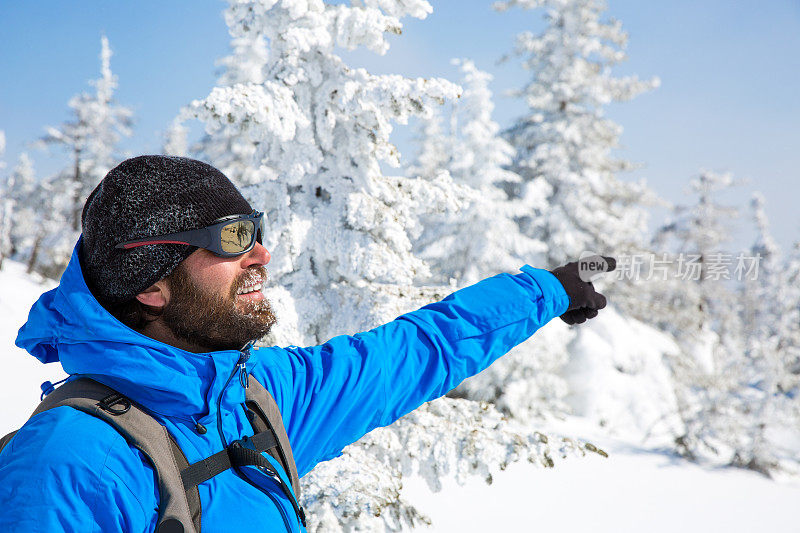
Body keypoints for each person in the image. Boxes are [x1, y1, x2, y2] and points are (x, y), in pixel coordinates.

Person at [0, 155, 614, 532]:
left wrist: (548, 290)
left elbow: (417, 349)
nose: (261, 255)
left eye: (256, 231)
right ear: (153, 285)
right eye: (233, 237)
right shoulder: (69, 462)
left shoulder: (257, 400)